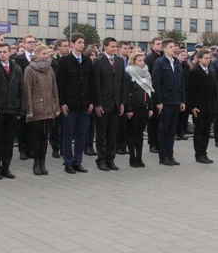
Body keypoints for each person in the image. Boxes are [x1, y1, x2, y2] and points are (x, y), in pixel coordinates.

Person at [0, 42, 26, 180]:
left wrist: (21, 110)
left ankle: (6, 167)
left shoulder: (17, 68)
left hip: (13, 109)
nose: (2, 54)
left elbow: (21, 90)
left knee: (9, 141)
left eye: (4, 52)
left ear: (9, 53)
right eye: (0, 52)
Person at [56, 33, 94, 174]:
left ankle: (78, 161)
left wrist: (91, 101)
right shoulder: (65, 61)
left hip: (84, 104)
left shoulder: (87, 61)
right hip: (69, 104)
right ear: (72, 44)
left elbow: (91, 83)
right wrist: (62, 102)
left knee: (82, 135)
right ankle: (68, 162)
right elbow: (59, 83)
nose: (82, 45)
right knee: (68, 135)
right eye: (79, 42)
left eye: (83, 42)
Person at [23, 44, 60, 175]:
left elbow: (54, 89)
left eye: (48, 54)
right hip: (36, 108)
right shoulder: (30, 69)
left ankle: (42, 163)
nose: (47, 56)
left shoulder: (49, 70)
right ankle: (36, 164)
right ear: (36, 55)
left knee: (44, 139)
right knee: (36, 138)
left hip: (48, 109)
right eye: (44, 54)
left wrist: (56, 106)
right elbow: (27, 90)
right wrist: (29, 110)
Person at [91, 37, 125, 171]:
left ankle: (111, 158)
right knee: (101, 133)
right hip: (104, 103)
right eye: (112, 46)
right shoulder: (99, 62)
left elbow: (122, 83)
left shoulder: (120, 61)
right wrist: (97, 104)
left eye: (116, 46)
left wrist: (122, 102)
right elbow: (96, 84)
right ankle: (101, 159)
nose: (115, 49)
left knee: (113, 133)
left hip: (116, 103)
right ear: (105, 47)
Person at [152, 38, 186, 166]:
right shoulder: (160, 63)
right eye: (171, 47)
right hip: (165, 101)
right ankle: (163, 156)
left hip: (176, 100)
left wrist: (182, 100)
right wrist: (159, 101)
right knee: (164, 130)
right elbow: (156, 83)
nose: (173, 48)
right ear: (165, 49)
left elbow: (181, 83)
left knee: (172, 130)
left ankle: (170, 154)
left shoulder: (177, 63)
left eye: (174, 46)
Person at [185, 49, 217, 164]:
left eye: (209, 58)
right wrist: (192, 107)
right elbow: (189, 91)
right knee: (199, 131)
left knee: (206, 131)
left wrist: (214, 105)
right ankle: (199, 154)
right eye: (206, 58)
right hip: (199, 107)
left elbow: (214, 90)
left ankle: (204, 152)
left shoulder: (212, 72)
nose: (208, 60)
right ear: (199, 59)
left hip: (210, 107)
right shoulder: (193, 72)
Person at [124, 53, 154, 167]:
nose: (142, 62)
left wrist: (150, 107)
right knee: (132, 133)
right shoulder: (129, 74)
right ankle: (132, 158)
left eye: (142, 60)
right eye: (139, 60)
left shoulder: (146, 74)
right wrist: (129, 109)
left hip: (144, 108)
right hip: (134, 108)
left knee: (140, 134)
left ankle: (139, 158)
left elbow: (149, 91)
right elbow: (127, 93)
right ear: (133, 61)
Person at [144, 37, 163, 153]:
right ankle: (152, 143)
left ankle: (159, 142)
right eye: (158, 44)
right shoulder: (149, 59)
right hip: (152, 92)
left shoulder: (162, 57)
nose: (160, 46)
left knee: (160, 120)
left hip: (161, 91)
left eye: (161, 44)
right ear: (152, 45)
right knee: (153, 120)